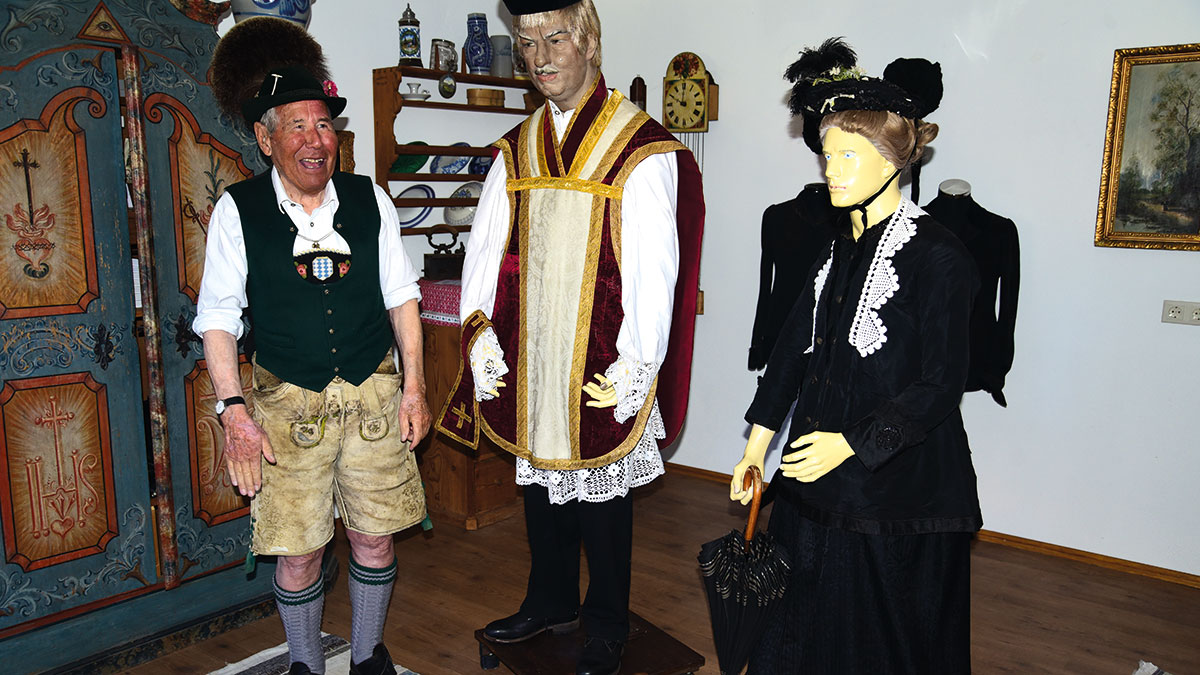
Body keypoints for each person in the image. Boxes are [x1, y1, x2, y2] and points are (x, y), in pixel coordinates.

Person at [434, 2, 703, 673]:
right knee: (540, 487)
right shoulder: (516, 147)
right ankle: (551, 599)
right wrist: (478, 331)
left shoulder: (639, 145)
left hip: (601, 351)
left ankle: (607, 619)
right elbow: (486, 248)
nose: (540, 58)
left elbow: (654, 266)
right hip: (531, 349)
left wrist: (638, 360)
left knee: (601, 500)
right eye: (527, 45)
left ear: (588, 42)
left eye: (554, 39)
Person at [730, 38, 982, 674]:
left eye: (849, 155)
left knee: (878, 642)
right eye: (828, 155)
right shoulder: (837, 249)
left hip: (896, 495)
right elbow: (792, 352)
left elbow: (940, 385)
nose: (831, 170)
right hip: (812, 480)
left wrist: (850, 444)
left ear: (894, 160)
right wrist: (757, 446)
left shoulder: (940, 257)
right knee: (799, 632)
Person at [196, 19, 430, 675]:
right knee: (298, 549)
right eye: (296, 126)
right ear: (265, 138)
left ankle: (368, 655)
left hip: (373, 392)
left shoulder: (369, 198)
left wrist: (414, 387)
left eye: (323, 124)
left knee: (374, 537)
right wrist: (234, 414)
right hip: (286, 405)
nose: (314, 139)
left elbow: (402, 297)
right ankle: (305, 662)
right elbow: (218, 319)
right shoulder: (238, 211)